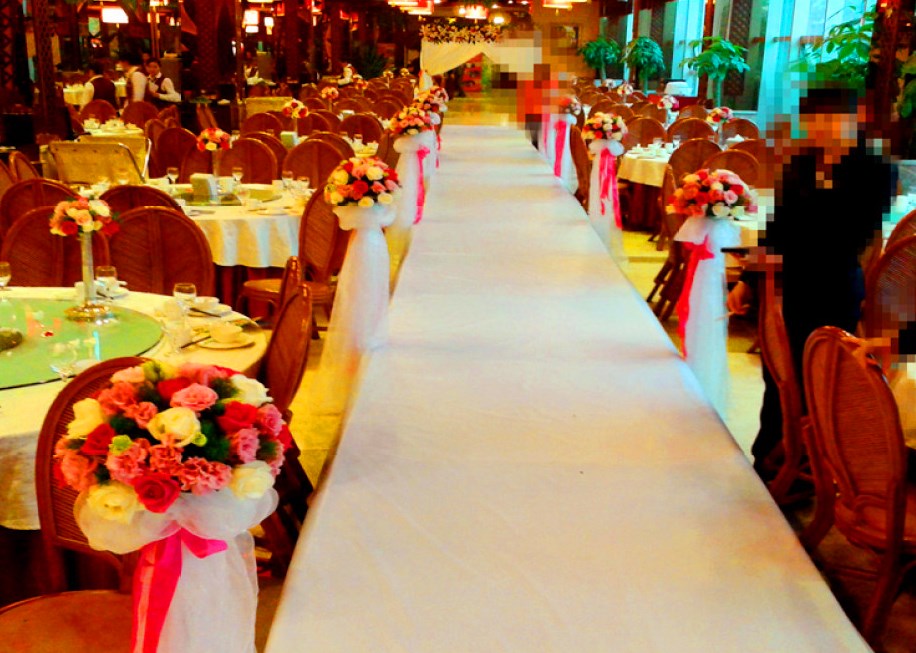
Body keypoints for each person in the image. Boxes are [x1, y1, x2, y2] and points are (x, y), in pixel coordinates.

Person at [726, 85, 897, 477]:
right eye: (814, 119)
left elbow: (851, 236)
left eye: (832, 119)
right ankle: (770, 461)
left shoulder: (875, 169)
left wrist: (794, 242)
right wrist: (749, 280)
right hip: (785, 287)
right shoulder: (802, 162)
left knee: (820, 383)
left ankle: (813, 469)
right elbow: (775, 229)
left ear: (854, 120)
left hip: (833, 288)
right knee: (779, 379)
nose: (822, 127)